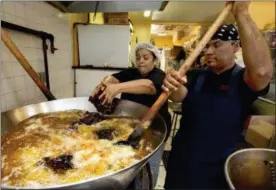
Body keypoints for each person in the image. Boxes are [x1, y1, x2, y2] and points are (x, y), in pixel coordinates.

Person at [162, 2, 273, 189]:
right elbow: (178, 96)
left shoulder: (244, 80)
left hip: (218, 169)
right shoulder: (195, 75)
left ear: (236, 46)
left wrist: (242, 13)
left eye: (216, 45)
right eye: (206, 46)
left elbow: (262, 71)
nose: (208, 51)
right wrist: (172, 85)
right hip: (183, 164)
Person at [92, 42, 172, 187]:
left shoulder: (159, 75)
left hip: (154, 130)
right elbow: (114, 78)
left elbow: (149, 85)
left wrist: (118, 88)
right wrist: (104, 84)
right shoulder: (131, 73)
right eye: (138, 57)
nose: (141, 61)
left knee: (149, 169)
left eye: (146, 57)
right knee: (126, 162)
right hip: (129, 127)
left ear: (155, 60)